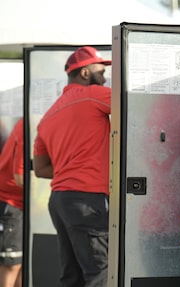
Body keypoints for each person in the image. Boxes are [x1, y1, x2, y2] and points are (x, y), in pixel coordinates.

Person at [33, 46, 111, 287]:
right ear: (85, 73)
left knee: (72, 276)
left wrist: (72, 168)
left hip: (59, 201)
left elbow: (40, 168)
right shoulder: (94, 95)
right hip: (86, 201)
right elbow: (133, 106)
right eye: (101, 70)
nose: (105, 76)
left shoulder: (48, 115)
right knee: (101, 273)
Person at [0, 118, 24, 287]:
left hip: (16, 203)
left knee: (19, 264)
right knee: (12, 264)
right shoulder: (28, 127)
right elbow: (20, 177)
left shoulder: (23, 123)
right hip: (11, 202)